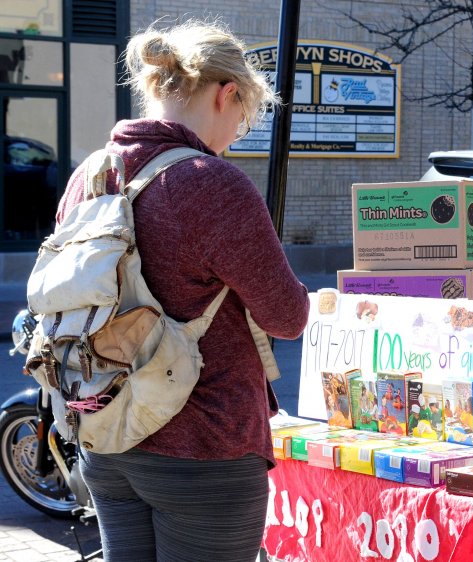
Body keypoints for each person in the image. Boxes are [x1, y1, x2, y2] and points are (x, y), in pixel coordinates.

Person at [59, 19, 311, 562]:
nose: (237, 133)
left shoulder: (92, 175)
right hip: (204, 449)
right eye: (243, 118)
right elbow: (287, 317)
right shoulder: (210, 182)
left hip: (107, 432)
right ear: (227, 95)